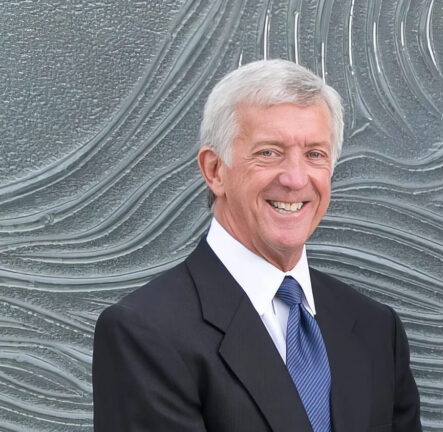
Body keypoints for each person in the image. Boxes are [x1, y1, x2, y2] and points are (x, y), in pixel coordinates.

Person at [92, 59, 422, 432]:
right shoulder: (146, 334)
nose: (296, 179)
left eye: (315, 154)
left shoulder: (376, 329)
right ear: (214, 170)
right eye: (269, 152)